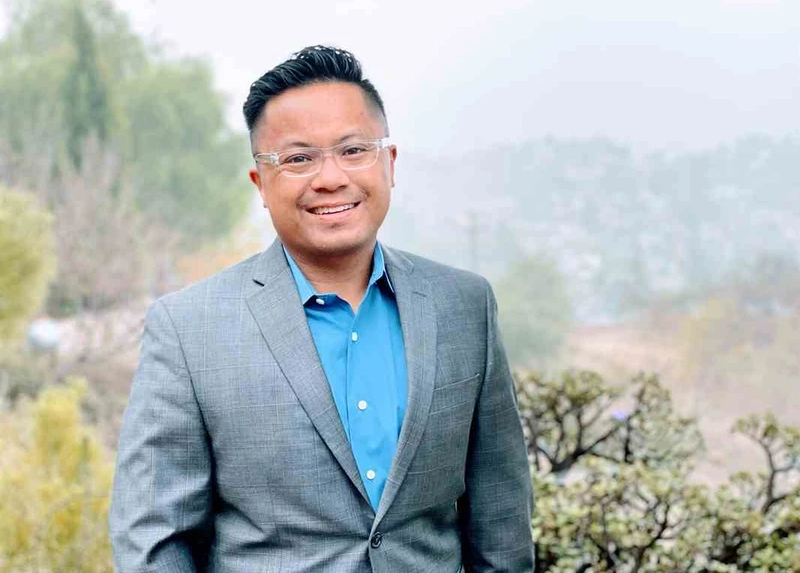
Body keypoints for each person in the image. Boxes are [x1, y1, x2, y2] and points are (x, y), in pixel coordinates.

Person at [109, 45, 534, 572]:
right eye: (298, 158)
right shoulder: (189, 328)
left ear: (389, 163)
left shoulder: (463, 306)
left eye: (354, 150)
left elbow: (502, 526)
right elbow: (154, 540)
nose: (331, 177)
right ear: (260, 184)